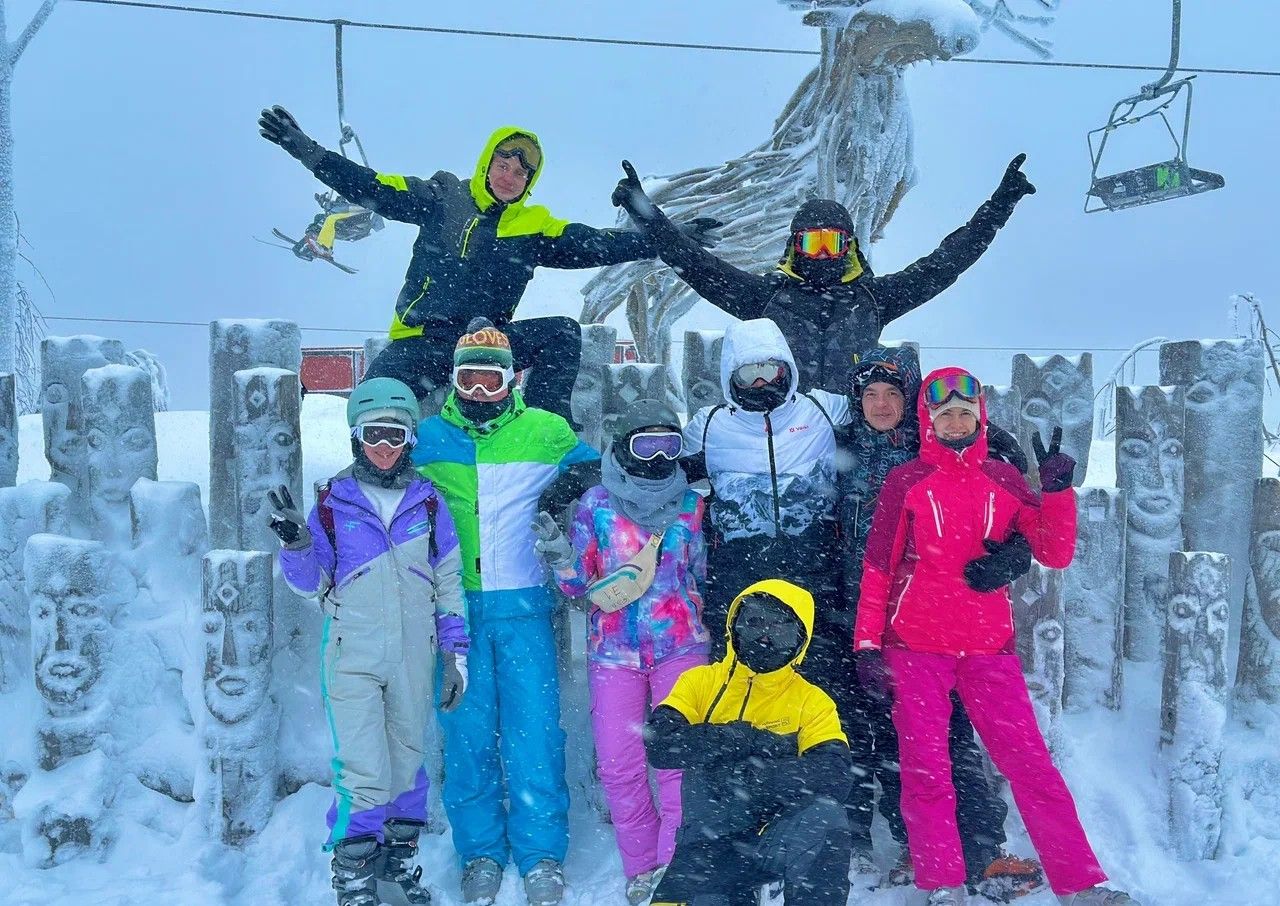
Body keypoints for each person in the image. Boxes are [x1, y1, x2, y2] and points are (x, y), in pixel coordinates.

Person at [854, 367, 1139, 906]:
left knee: (1031, 766)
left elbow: (1054, 552)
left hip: (989, 649)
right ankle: (943, 885)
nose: (955, 422)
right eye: (945, 414)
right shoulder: (906, 481)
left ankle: (1080, 884)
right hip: (915, 648)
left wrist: (1056, 492)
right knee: (927, 771)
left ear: (980, 417)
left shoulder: (1003, 478)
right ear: (929, 421)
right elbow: (878, 569)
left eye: (965, 413)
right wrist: (868, 644)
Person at [258, 107, 717, 419]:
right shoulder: (442, 196)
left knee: (561, 332)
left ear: (529, 182)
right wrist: (305, 149)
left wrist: (669, 237)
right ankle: (380, 479)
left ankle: (544, 431)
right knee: (376, 400)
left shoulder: (534, 226)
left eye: (521, 172)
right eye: (503, 163)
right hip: (423, 341)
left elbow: (599, 244)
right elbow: (371, 185)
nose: (510, 176)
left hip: (487, 344)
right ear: (487, 161)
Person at [835, 347, 1044, 897]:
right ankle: (892, 843)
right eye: (870, 395)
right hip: (856, 615)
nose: (881, 405)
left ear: (913, 400)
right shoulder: (836, 449)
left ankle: (980, 848)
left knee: (951, 738)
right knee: (870, 734)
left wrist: (1013, 556)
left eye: (893, 394)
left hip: (933, 625)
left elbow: (1010, 503)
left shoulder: (940, 441)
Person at [411, 321, 599, 906]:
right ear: (453, 380)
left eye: (490, 380)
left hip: (525, 612)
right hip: (456, 617)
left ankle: (541, 854)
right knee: (466, 737)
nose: (478, 391)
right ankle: (481, 853)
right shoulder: (428, 438)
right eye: (468, 378)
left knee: (535, 734)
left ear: (512, 380)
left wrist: (565, 490)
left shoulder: (546, 430)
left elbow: (602, 474)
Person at [269, 377, 468, 906]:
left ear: (410, 439)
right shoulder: (334, 503)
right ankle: (354, 874)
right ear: (355, 437)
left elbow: (449, 583)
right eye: (373, 433)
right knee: (363, 768)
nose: (384, 446)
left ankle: (396, 860)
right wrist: (299, 547)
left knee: (407, 762)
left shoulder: (429, 503)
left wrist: (455, 654)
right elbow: (311, 584)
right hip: (352, 651)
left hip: (414, 651)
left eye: (395, 435)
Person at [610, 155, 1036, 392]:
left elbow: (944, 265)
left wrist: (999, 207)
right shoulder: (766, 298)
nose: (823, 254)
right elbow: (698, 267)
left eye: (833, 243)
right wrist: (645, 214)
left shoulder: (873, 299)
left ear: (849, 248)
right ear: (795, 247)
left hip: (856, 434)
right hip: (786, 433)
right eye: (813, 243)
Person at [531, 398, 711, 906]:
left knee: (679, 764)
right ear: (624, 448)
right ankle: (641, 868)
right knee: (620, 765)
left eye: (669, 445)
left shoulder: (692, 505)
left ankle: (673, 869)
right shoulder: (596, 504)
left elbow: (700, 574)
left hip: (681, 648)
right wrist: (561, 559)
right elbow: (579, 589)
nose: (659, 458)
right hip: (613, 653)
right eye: (646, 445)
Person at [644, 579, 853, 906]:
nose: (765, 638)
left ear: (800, 641)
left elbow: (836, 774)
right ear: (734, 626)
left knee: (826, 818)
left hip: (774, 837)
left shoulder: (812, 701)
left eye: (781, 629)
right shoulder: (700, 682)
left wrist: (759, 778)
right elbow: (660, 745)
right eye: (754, 623)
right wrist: (742, 738)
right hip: (707, 847)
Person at [680, 317, 851, 657]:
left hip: (812, 561)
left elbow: (885, 413)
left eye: (769, 370)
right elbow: (658, 456)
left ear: (785, 369)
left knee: (816, 656)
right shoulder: (710, 423)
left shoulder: (822, 408)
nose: (760, 381)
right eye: (748, 373)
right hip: (738, 566)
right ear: (731, 375)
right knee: (739, 656)